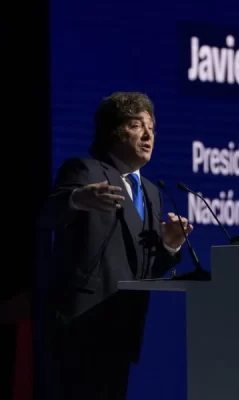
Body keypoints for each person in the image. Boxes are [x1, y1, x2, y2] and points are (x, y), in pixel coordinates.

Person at [38, 91, 192, 400]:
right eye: (136, 125)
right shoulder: (86, 170)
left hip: (123, 329)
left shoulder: (152, 192)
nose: (148, 135)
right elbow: (45, 215)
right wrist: (77, 199)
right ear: (113, 131)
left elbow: (145, 271)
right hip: (80, 327)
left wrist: (169, 246)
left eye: (152, 127)